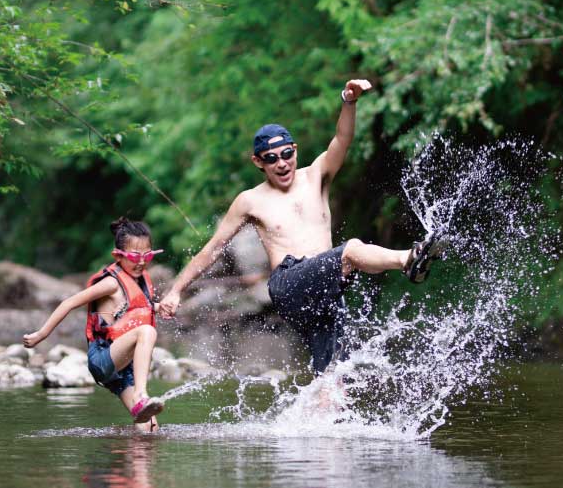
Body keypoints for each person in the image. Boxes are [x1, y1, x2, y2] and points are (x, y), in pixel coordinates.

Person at [158, 79, 445, 374]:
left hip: (327, 288)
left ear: (294, 150)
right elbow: (213, 249)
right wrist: (175, 290)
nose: (281, 163)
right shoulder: (249, 200)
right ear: (258, 162)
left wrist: (349, 101)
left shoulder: (316, 175)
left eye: (286, 154)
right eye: (271, 159)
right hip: (288, 284)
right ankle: (408, 260)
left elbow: (342, 140)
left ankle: (314, 417)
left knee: (333, 374)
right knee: (351, 251)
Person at [24, 217, 165, 431]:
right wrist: (41, 334)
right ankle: (140, 394)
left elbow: (133, 312)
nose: (141, 261)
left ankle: (135, 460)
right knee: (147, 331)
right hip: (103, 358)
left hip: (121, 369)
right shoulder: (111, 283)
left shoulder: (141, 281)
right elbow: (69, 302)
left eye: (147, 255)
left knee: (151, 428)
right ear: (118, 255)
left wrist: (158, 307)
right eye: (135, 255)